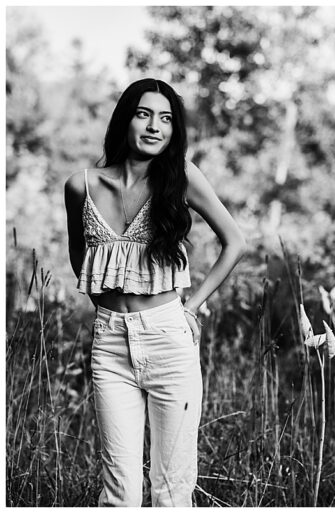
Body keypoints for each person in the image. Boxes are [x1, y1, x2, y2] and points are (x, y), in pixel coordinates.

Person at [63, 78, 246, 507]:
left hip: (169, 336)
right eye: (144, 114)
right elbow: (80, 256)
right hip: (109, 344)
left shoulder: (180, 176)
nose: (154, 127)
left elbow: (235, 241)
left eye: (165, 119)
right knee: (119, 493)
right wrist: (106, 307)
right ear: (125, 119)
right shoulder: (81, 186)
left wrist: (193, 307)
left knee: (172, 489)